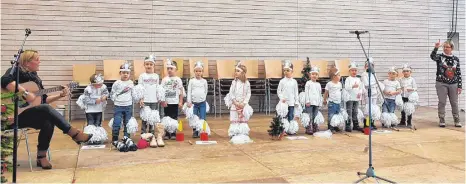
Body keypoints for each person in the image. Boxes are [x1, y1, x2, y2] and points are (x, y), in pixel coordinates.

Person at [1, 50, 92, 170]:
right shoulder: (17, 71)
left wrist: (60, 95)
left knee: (48, 121)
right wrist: (25, 93)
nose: (40, 61)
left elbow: (43, 101)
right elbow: (4, 81)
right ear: (27, 62)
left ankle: (41, 157)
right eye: (37, 59)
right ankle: (74, 133)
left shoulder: (35, 79)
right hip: (10, 115)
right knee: (46, 110)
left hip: (25, 115)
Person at [430, 40, 463, 127]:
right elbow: (432, 56)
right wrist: (436, 47)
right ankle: (442, 119)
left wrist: (459, 85)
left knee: (454, 102)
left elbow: (458, 73)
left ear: (451, 48)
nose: (445, 48)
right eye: (444, 47)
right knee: (442, 102)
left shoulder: (456, 59)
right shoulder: (439, 57)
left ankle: (456, 119)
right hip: (441, 83)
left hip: (453, 84)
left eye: (447, 47)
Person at [277, 60, 300, 135]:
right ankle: (283, 130)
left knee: (291, 116)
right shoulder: (282, 81)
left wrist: (296, 101)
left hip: (291, 103)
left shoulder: (294, 82)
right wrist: (281, 98)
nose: (286, 72)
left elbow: (296, 92)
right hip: (284, 103)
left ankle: (290, 129)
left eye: (288, 70)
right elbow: (279, 91)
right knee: (284, 116)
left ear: (292, 71)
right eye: (285, 70)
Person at [187, 61, 208, 138]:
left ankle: (202, 130)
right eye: (196, 71)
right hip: (194, 103)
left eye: (200, 71)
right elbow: (189, 91)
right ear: (194, 72)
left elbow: (206, 91)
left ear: (202, 72)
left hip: (202, 103)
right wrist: (189, 101)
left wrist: (203, 98)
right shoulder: (191, 81)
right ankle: (195, 131)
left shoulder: (204, 81)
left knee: (203, 117)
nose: (198, 73)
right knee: (194, 117)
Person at [304, 66, 323, 135]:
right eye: (313, 74)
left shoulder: (318, 84)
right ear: (310, 75)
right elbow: (306, 93)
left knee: (315, 115)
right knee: (309, 115)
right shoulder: (308, 83)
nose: (314, 76)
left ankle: (314, 126)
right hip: (310, 103)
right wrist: (307, 101)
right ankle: (309, 127)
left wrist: (320, 102)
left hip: (316, 103)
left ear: (318, 76)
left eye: (316, 74)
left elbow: (320, 94)